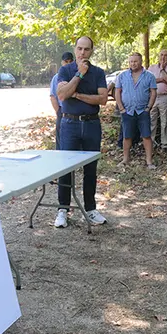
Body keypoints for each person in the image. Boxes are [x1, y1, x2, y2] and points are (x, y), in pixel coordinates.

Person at [54, 36, 108, 228]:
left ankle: (91, 208)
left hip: (92, 124)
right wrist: (79, 75)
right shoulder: (65, 70)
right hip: (70, 124)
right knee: (65, 168)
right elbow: (62, 94)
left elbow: (102, 99)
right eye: (79, 48)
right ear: (75, 49)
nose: (82, 53)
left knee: (90, 169)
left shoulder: (99, 73)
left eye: (86, 49)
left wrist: (76, 94)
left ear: (91, 51)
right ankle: (63, 209)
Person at [116, 52, 158, 168]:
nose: (133, 64)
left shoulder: (149, 76)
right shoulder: (122, 76)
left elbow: (153, 92)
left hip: (142, 111)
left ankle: (149, 161)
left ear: (141, 62)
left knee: (146, 136)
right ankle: (125, 159)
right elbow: (117, 92)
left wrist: (148, 107)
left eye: (135, 61)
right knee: (127, 136)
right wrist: (121, 108)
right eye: (131, 61)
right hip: (127, 111)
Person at [147, 49, 167, 152]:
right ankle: (151, 141)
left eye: (166, 55)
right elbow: (148, 81)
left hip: (165, 97)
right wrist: (161, 79)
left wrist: (163, 70)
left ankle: (165, 143)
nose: (163, 57)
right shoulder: (152, 68)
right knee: (152, 119)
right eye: (162, 55)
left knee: (165, 120)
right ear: (158, 56)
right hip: (153, 96)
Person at [50, 52, 74, 149]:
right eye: (66, 61)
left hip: (75, 111)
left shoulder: (76, 76)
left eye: (70, 61)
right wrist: (58, 112)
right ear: (62, 62)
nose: (68, 64)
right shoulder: (57, 77)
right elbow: (53, 96)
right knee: (61, 141)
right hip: (62, 112)